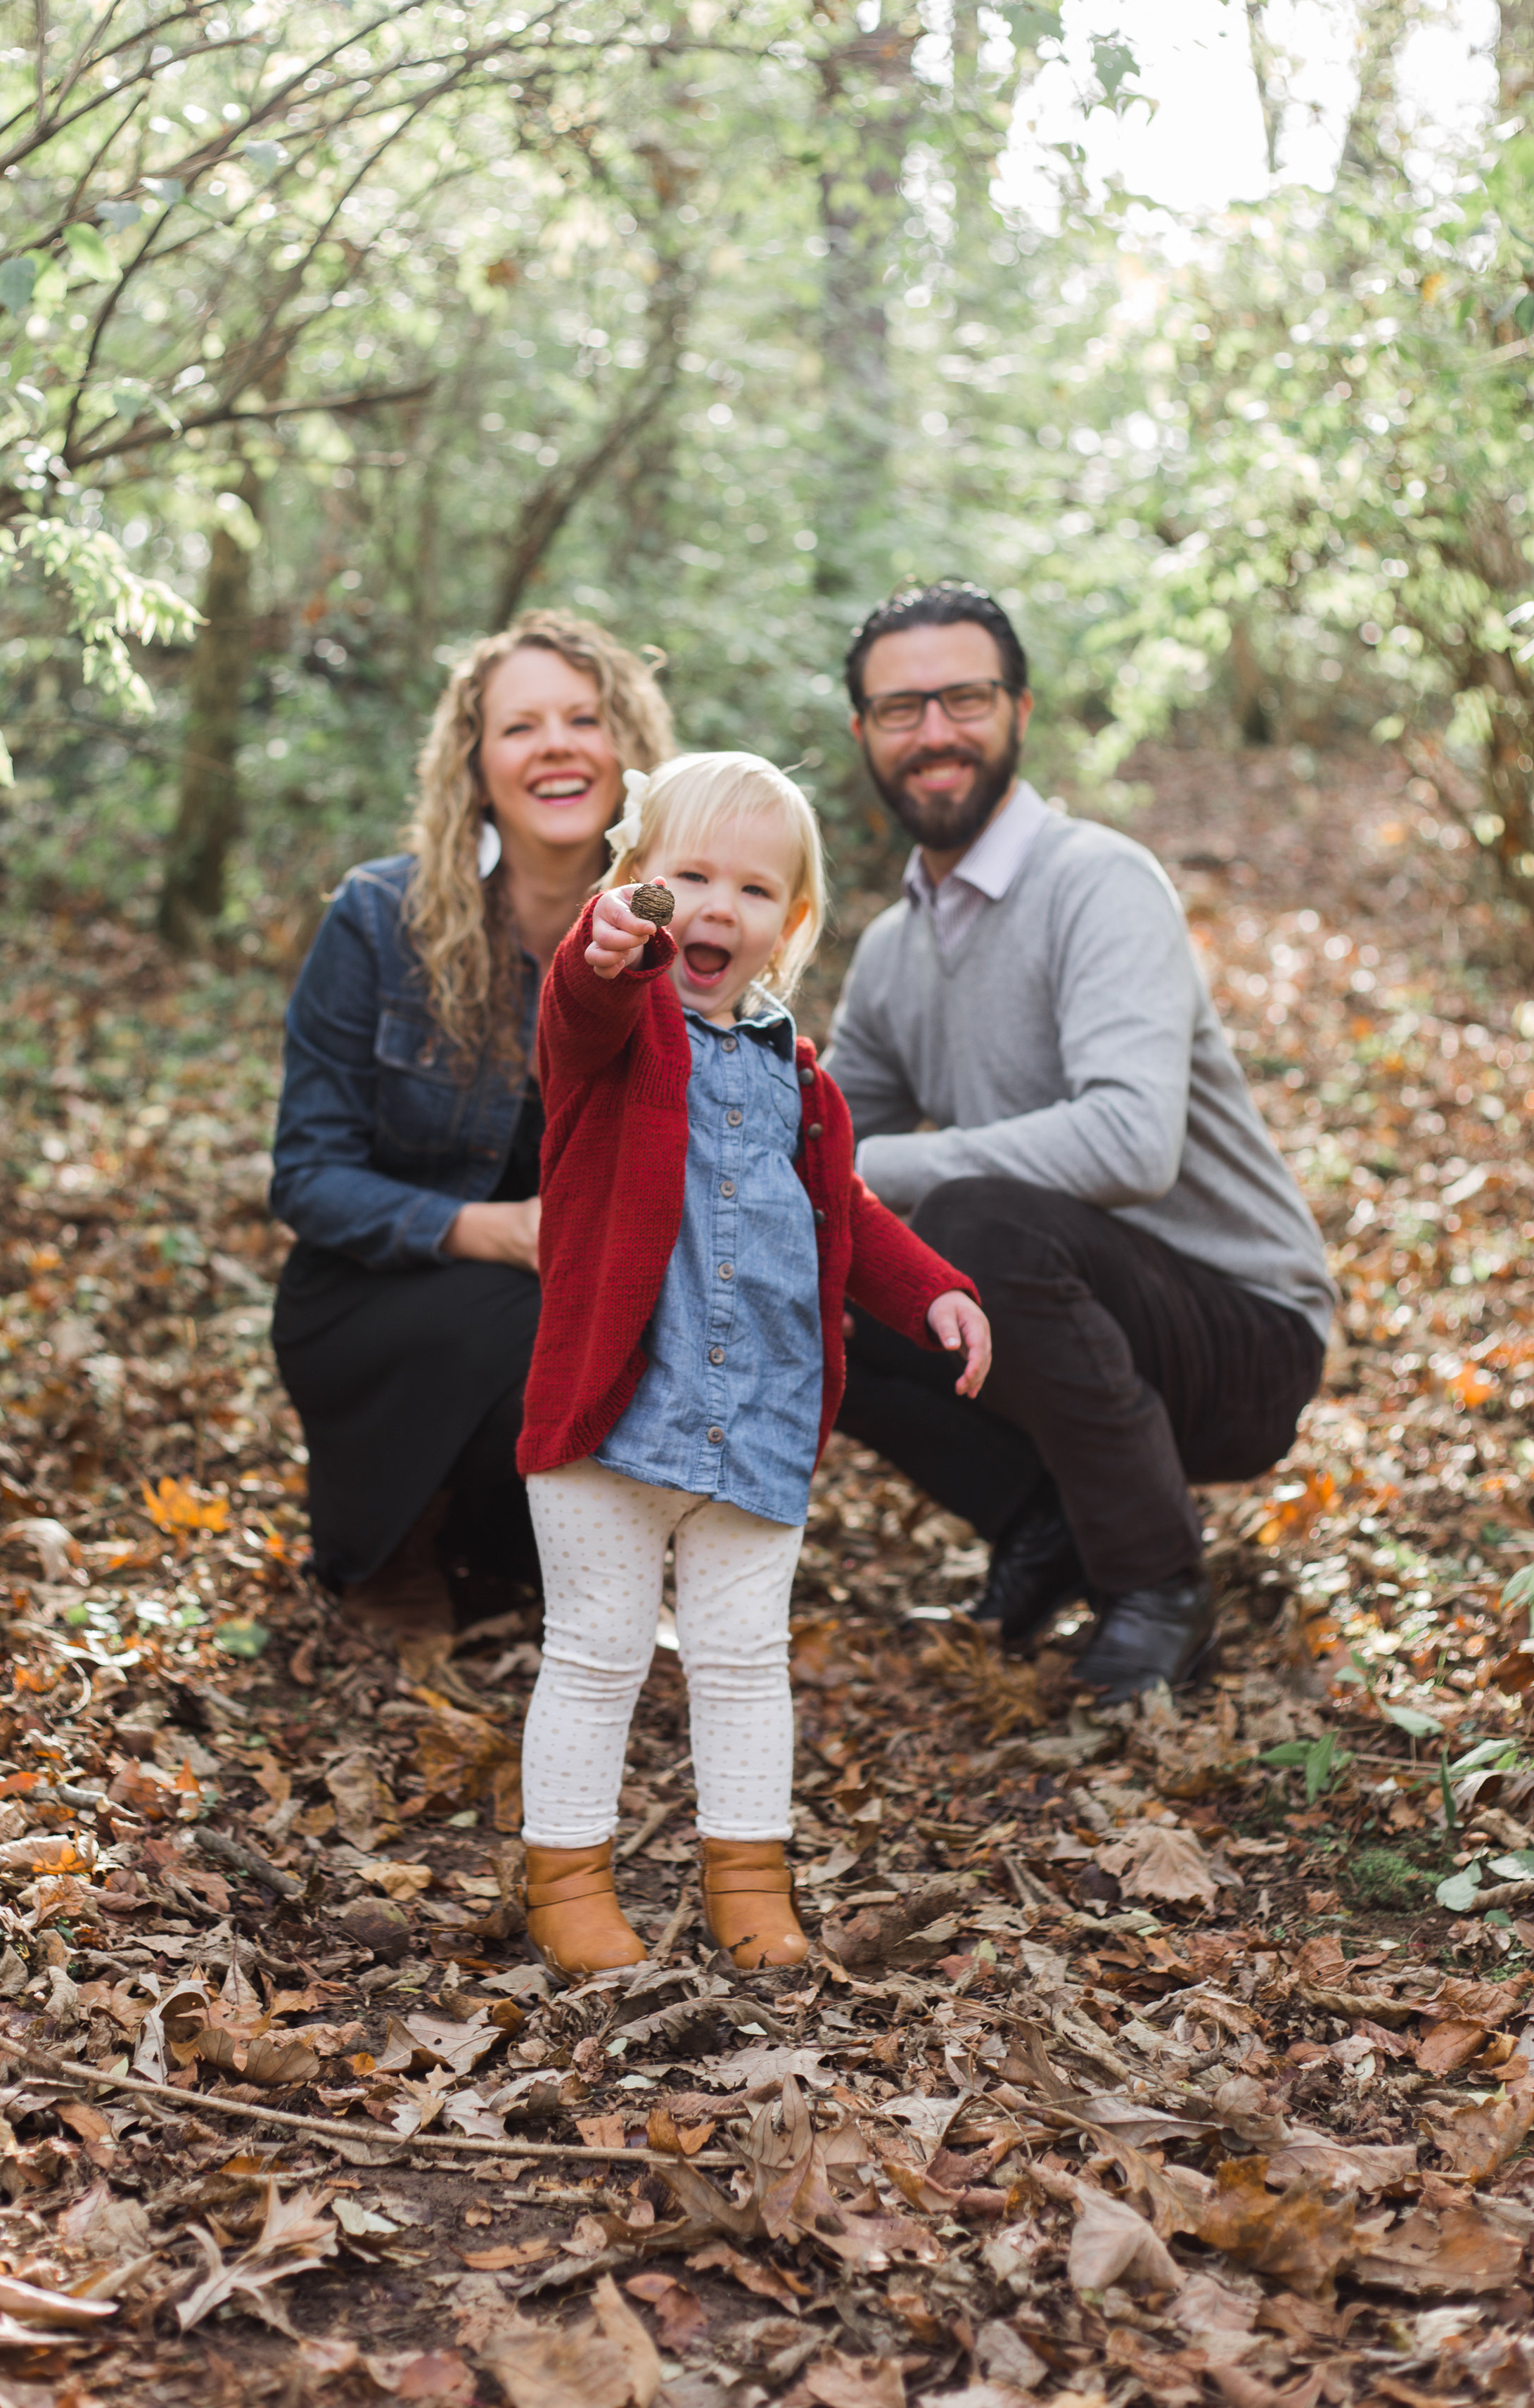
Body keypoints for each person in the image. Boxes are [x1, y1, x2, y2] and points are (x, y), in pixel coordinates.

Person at [513, 751, 992, 1977]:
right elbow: (580, 995)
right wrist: (608, 942)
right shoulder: (616, 1039)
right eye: (688, 876)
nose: (716, 906)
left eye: (753, 888)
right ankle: (568, 1877)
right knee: (596, 1650)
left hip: (758, 1419)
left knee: (742, 1666)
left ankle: (750, 1885)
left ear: (791, 923)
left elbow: (849, 1213)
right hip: (611, 1415)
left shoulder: (801, 1076)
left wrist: (934, 1288)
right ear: (637, 885)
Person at [824, 580, 1336, 1705]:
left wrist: (868, 1174)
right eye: (902, 709)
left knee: (973, 1221)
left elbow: (1131, 1146)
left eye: (965, 697)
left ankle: (1157, 1587)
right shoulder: (892, 951)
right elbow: (825, 1146)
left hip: (1241, 1332)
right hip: (1072, 1318)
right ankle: (1045, 1525)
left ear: (1020, 709)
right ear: (863, 733)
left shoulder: (1097, 882)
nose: (936, 732)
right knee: (807, 1263)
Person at [268, 610, 675, 1640]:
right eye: (520, 725)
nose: (557, 745)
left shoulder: (681, 931)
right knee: (529, 1321)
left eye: (584, 717)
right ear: (475, 763)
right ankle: (389, 1543)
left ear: (627, 749)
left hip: (579, 1291)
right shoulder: (376, 917)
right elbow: (307, 1177)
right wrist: (493, 1230)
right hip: (381, 1297)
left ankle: (528, 1550)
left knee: (657, 1323)